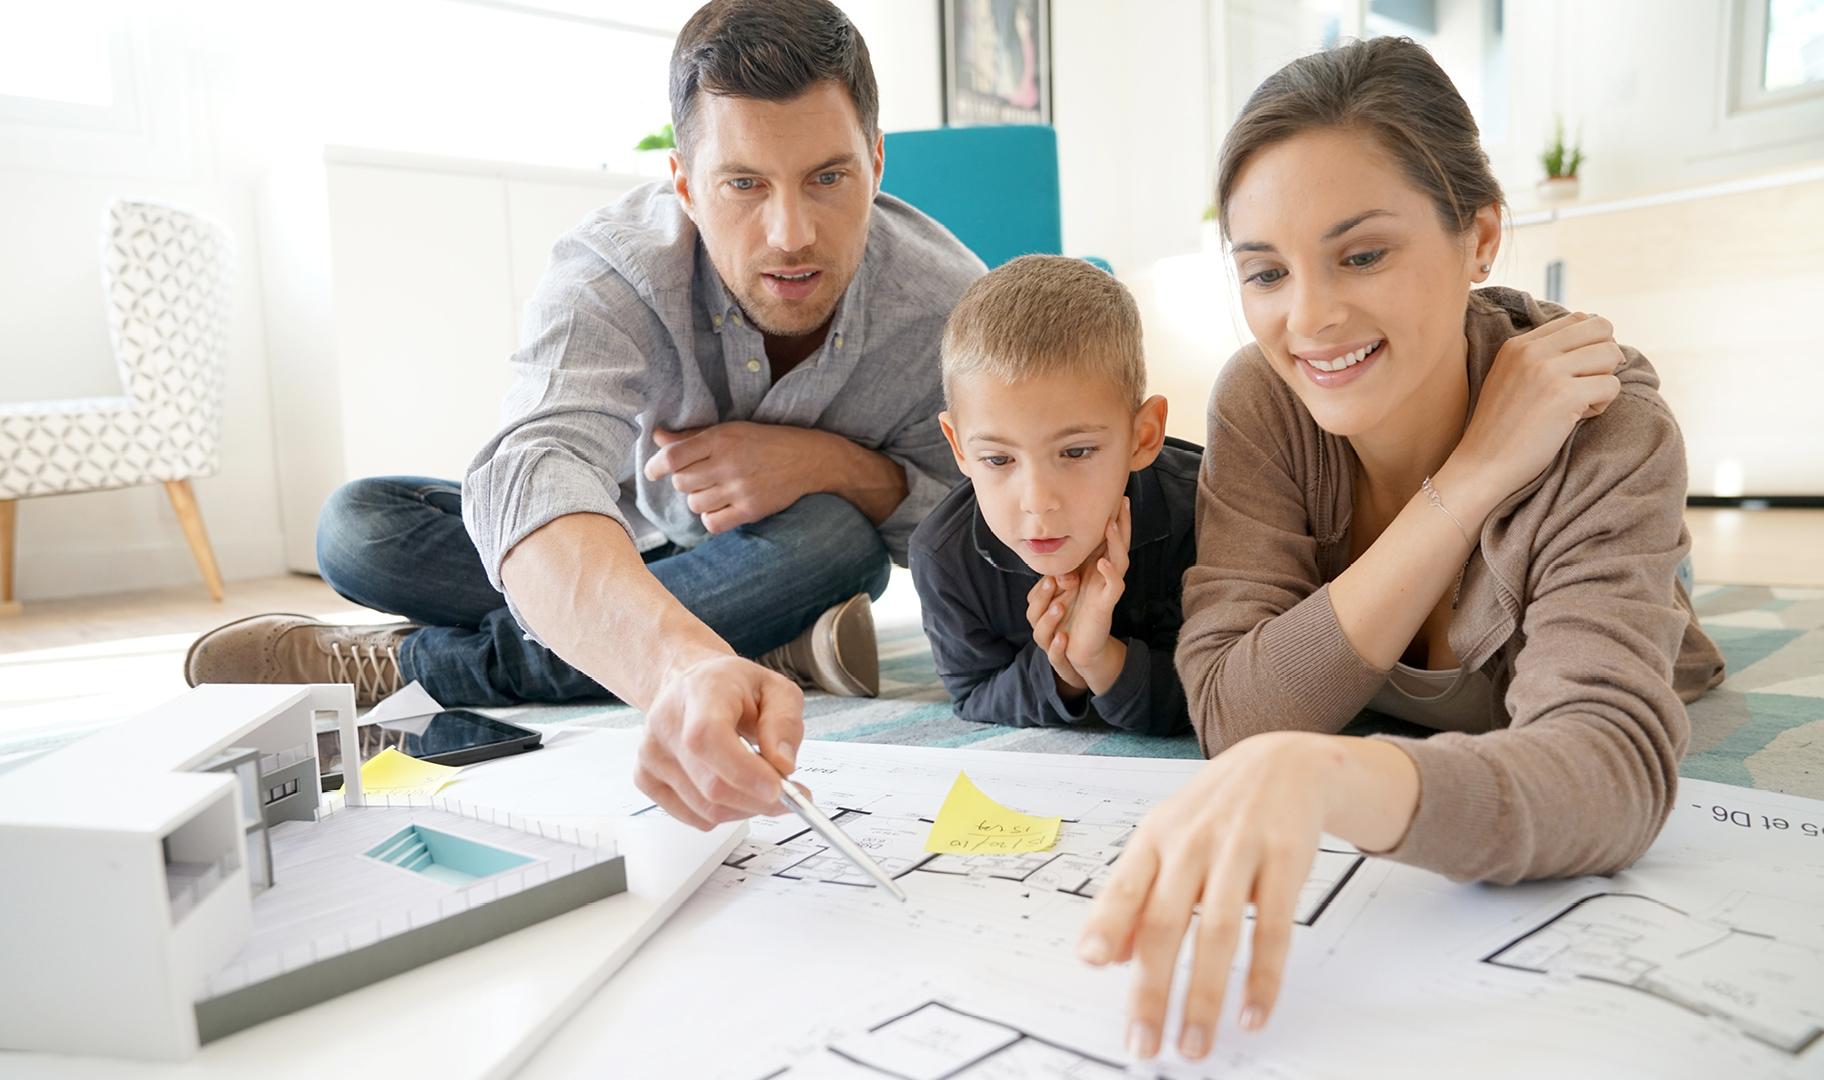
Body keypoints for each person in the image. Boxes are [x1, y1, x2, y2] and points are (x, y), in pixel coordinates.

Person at [1075, 37, 1724, 1063]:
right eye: (1265, 273)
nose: (1310, 317)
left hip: (1607, 570)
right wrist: (1467, 483)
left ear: (1481, 238)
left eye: (1363, 254)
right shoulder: (1265, 398)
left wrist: (1337, 777)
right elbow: (1236, 716)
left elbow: (1612, 766)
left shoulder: (1610, 430)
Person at [184, 0, 984, 828]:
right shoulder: (615, 266)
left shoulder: (951, 309)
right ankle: (761, 643)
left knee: (835, 542)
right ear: (683, 181)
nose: (790, 234)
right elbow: (533, 468)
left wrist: (843, 471)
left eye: (828, 177)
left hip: (784, 557)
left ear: (877, 162)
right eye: (743, 184)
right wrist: (674, 664)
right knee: (357, 528)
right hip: (617, 531)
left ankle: (412, 666)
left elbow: (982, 535)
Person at [909, 255, 1200, 736]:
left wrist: (1101, 659)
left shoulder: (1210, 512)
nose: (1037, 500)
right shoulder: (943, 556)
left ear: (1143, 436)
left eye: (1076, 451)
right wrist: (1063, 672)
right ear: (958, 446)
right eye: (999, 460)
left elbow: (1239, 691)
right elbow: (974, 693)